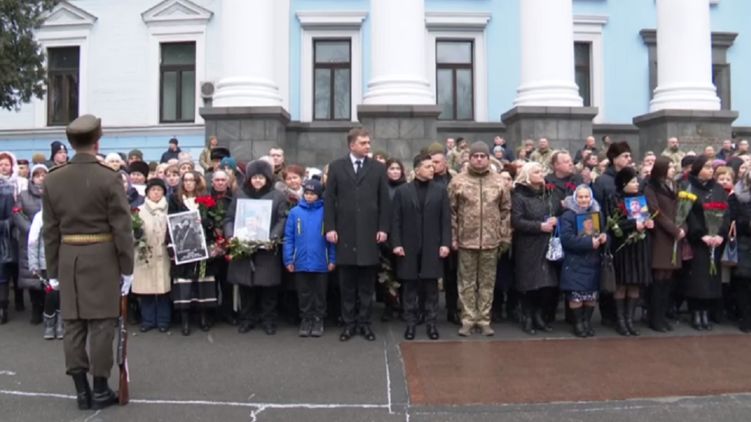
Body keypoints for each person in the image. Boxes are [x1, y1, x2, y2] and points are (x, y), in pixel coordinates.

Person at [42, 114, 134, 410]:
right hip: (103, 258)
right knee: (102, 324)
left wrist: (53, 270)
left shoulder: (53, 178)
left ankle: (82, 391)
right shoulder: (109, 176)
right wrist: (128, 268)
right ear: (97, 142)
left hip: (68, 257)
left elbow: (50, 230)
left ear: (71, 144)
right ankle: (100, 389)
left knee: (73, 325)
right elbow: (122, 228)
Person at [324, 127, 390, 342]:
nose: (367, 146)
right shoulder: (336, 167)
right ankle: (349, 324)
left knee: (366, 286)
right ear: (351, 145)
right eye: (363, 143)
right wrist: (330, 227)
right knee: (347, 285)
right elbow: (329, 200)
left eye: (368, 142)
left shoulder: (378, 168)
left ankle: (364, 323)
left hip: (369, 235)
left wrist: (383, 228)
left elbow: (384, 201)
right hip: (345, 235)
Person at [449, 141, 512, 336]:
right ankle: (468, 319)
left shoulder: (499, 182)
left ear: (488, 158)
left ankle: (484, 319)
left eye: (482, 156)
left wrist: (504, 236)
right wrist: (453, 237)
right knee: (466, 283)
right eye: (475, 156)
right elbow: (452, 212)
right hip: (466, 240)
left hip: (491, 241)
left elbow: (506, 211)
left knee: (487, 282)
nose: (479, 159)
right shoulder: (458, 181)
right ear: (469, 158)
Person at [391, 154, 451, 341]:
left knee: (431, 287)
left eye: (433, 166)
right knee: (409, 286)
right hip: (408, 246)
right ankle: (410, 323)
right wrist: (396, 243)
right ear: (417, 170)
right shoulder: (403, 191)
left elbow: (445, 220)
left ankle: (431, 324)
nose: (432, 169)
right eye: (427, 166)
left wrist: (445, 243)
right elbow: (396, 220)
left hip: (432, 245)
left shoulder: (440, 191)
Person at [225, 160, 288, 335]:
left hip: (267, 248)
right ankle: (247, 319)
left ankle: (268, 320)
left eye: (261, 177)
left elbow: (282, 219)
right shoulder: (240, 194)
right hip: (244, 247)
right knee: (246, 287)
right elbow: (229, 218)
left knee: (268, 288)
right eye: (254, 177)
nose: (257, 180)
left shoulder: (277, 196)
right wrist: (231, 236)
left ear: (267, 179)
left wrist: (273, 237)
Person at [283, 179, 336, 337]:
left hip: (321, 261)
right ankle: (306, 318)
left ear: (319, 195)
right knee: (304, 292)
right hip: (301, 261)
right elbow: (289, 237)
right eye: (306, 193)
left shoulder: (326, 212)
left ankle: (318, 319)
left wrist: (332, 259)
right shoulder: (295, 212)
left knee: (320, 293)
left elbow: (332, 239)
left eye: (313, 194)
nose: (309, 196)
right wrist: (288, 259)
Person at [511, 162, 559, 335]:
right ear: (527, 176)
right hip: (528, 245)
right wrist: (539, 226)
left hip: (547, 244)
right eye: (537, 172)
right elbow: (517, 221)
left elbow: (557, 210)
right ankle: (527, 316)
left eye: (541, 171)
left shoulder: (548, 193)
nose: (541, 174)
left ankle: (539, 315)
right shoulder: (519, 196)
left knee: (546, 283)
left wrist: (556, 220)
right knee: (529, 283)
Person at [168, 171, 218, 335]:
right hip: (183, 246)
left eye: (192, 180)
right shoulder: (175, 199)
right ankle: (185, 321)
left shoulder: (206, 199)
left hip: (202, 246)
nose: (188, 183)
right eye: (186, 180)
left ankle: (203, 317)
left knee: (202, 283)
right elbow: (171, 221)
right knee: (184, 284)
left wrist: (205, 222)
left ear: (197, 182)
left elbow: (213, 221)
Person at [683, 155, 727, 331]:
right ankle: (696, 312)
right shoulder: (689, 187)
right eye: (707, 167)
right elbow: (688, 214)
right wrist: (701, 235)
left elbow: (726, 212)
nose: (710, 170)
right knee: (698, 278)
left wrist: (720, 234)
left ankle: (706, 312)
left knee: (711, 278)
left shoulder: (717, 188)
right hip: (699, 241)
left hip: (715, 241)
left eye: (711, 167)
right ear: (698, 169)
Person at [609, 167, 653, 336]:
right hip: (623, 246)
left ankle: (630, 319)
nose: (636, 184)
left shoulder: (641, 198)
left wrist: (649, 222)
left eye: (637, 181)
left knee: (635, 283)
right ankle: (620, 321)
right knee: (622, 284)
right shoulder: (614, 198)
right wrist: (633, 224)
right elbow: (613, 223)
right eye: (632, 181)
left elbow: (647, 215)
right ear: (623, 183)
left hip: (639, 245)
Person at [559, 185, 606, 337]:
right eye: (580, 197)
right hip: (575, 261)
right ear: (575, 198)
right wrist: (588, 243)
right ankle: (578, 324)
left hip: (593, 261)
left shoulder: (597, 214)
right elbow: (566, 239)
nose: (584, 200)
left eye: (586, 196)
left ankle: (587, 322)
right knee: (576, 296)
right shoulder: (568, 215)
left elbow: (604, 231)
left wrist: (605, 238)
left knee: (591, 296)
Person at [644, 156, 684, 332]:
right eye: (670, 167)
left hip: (674, 237)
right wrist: (674, 230)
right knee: (659, 279)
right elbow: (656, 212)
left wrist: (683, 228)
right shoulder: (651, 187)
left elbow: (682, 210)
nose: (673, 170)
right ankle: (655, 318)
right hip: (661, 237)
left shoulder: (674, 186)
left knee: (668, 280)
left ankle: (662, 315)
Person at [133, 178, 171, 333]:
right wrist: (136, 234)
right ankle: (148, 320)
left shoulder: (169, 209)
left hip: (164, 253)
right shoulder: (139, 210)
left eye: (159, 190)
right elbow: (130, 232)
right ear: (147, 192)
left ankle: (163, 320)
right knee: (146, 289)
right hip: (146, 253)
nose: (156, 193)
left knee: (164, 289)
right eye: (153, 190)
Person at [13, 164, 47, 325]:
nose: (41, 178)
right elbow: (17, 214)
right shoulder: (24, 195)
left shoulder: (53, 194)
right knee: (33, 276)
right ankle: (36, 308)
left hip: (48, 239)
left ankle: (48, 308)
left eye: (44, 175)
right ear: (32, 178)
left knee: (48, 276)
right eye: (37, 175)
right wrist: (32, 229)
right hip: (29, 240)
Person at [28, 209, 62, 339]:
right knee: (51, 293)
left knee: (63, 293)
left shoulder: (65, 212)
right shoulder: (40, 216)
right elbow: (33, 241)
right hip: (47, 262)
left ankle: (61, 323)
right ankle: (49, 323)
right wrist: (34, 264)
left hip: (64, 261)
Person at [729, 170, 751, 332]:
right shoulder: (735, 196)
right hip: (744, 243)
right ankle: (745, 317)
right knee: (743, 281)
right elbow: (733, 220)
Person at [0, 151, 19, 324]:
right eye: (0, 164)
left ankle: (9, 304)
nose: (3, 167)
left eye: (6, 164)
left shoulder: (14, 186)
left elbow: (15, 213)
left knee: (9, 269)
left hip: (9, 234)